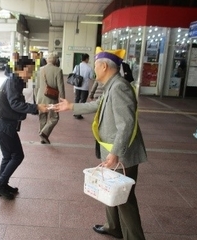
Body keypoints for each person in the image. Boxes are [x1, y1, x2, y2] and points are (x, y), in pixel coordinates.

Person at [54, 47, 147, 240]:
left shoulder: (119, 86)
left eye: (96, 66)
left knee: (125, 199)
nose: (94, 70)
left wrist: (115, 153)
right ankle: (114, 226)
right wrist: (71, 106)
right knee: (111, 190)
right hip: (111, 150)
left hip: (121, 154)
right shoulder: (112, 85)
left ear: (104, 66)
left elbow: (126, 123)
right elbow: (98, 105)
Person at [0, 54, 47, 200]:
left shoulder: (15, 81)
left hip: (1, 124)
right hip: (4, 125)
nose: (31, 74)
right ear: (21, 69)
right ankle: (0, 184)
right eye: (30, 70)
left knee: (8, 156)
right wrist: (36, 107)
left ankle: (2, 185)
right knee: (17, 156)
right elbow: (15, 104)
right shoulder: (13, 81)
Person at [36, 52, 65, 144]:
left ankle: (42, 137)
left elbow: (36, 86)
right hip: (51, 98)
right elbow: (61, 86)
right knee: (54, 117)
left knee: (42, 116)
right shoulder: (58, 70)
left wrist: (36, 98)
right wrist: (63, 99)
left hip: (40, 97)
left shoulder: (40, 69)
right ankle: (44, 133)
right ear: (56, 60)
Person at [72, 53, 94, 119]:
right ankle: (79, 114)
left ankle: (75, 113)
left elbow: (73, 74)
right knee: (83, 101)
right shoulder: (89, 68)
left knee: (76, 99)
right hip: (84, 87)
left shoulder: (77, 66)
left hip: (77, 86)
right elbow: (91, 77)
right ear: (87, 59)